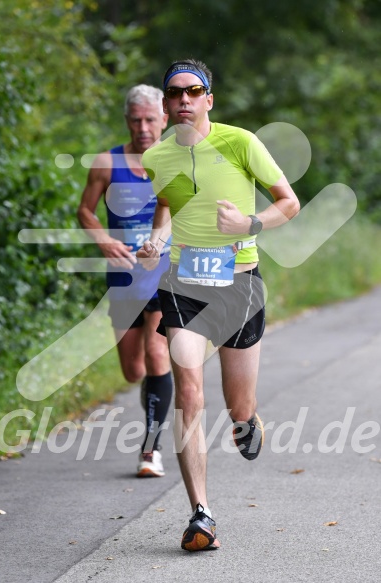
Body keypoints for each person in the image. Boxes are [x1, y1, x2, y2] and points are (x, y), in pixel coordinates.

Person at [137, 60, 300, 549]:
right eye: (175, 93)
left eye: (194, 91)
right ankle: (200, 514)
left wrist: (248, 224)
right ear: (167, 106)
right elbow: (168, 208)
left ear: (210, 98)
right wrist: (154, 242)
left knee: (237, 405)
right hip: (183, 285)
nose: (184, 99)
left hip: (239, 285)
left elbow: (288, 203)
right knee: (188, 384)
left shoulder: (241, 142)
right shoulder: (158, 158)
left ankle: (246, 421)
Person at [77, 84, 173, 478]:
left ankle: (151, 450)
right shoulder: (106, 163)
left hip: (164, 273)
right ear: (127, 121)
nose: (144, 127)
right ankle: (151, 395)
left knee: (157, 352)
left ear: (165, 119)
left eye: (151, 119)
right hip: (122, 277)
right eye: (136, 120)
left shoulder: (178, 163)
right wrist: (103, 240)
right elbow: (85, 210)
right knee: (133, 370)